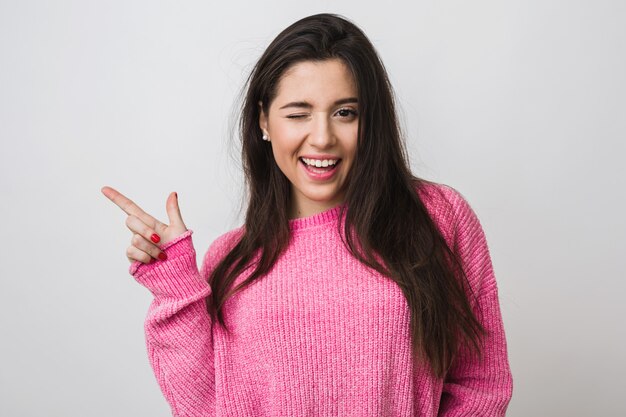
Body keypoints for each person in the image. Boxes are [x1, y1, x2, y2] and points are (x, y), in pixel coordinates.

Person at [101, 13, 513, 416]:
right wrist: (177, 290)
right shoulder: (231, 259)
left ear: (372, 119)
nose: (322, 138)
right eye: (298, 114)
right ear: (264, 120)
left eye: (345, 113)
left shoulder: (437, 217)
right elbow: (204, 407)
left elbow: (481, 385)